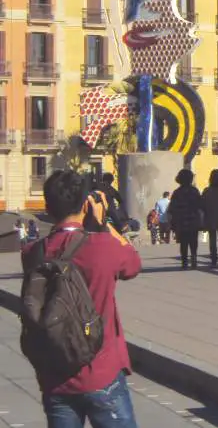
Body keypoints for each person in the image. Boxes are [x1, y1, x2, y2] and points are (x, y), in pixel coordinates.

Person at [22, 170, 142, 427]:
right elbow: (132, 264)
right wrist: (104, 224)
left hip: (55, 375)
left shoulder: (32, 252)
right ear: (85, 204)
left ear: (47, 206)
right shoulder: (102, 246)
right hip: (101, 371)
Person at [167, 169, 204, 269]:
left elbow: (172, 208)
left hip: (181, 221)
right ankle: (194, 258)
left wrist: (173, 221)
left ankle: (184, 261)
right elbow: (200, 204)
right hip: (193, 220)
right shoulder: (194, 191)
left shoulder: (177, 193)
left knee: (183, 242)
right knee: (193, 241)